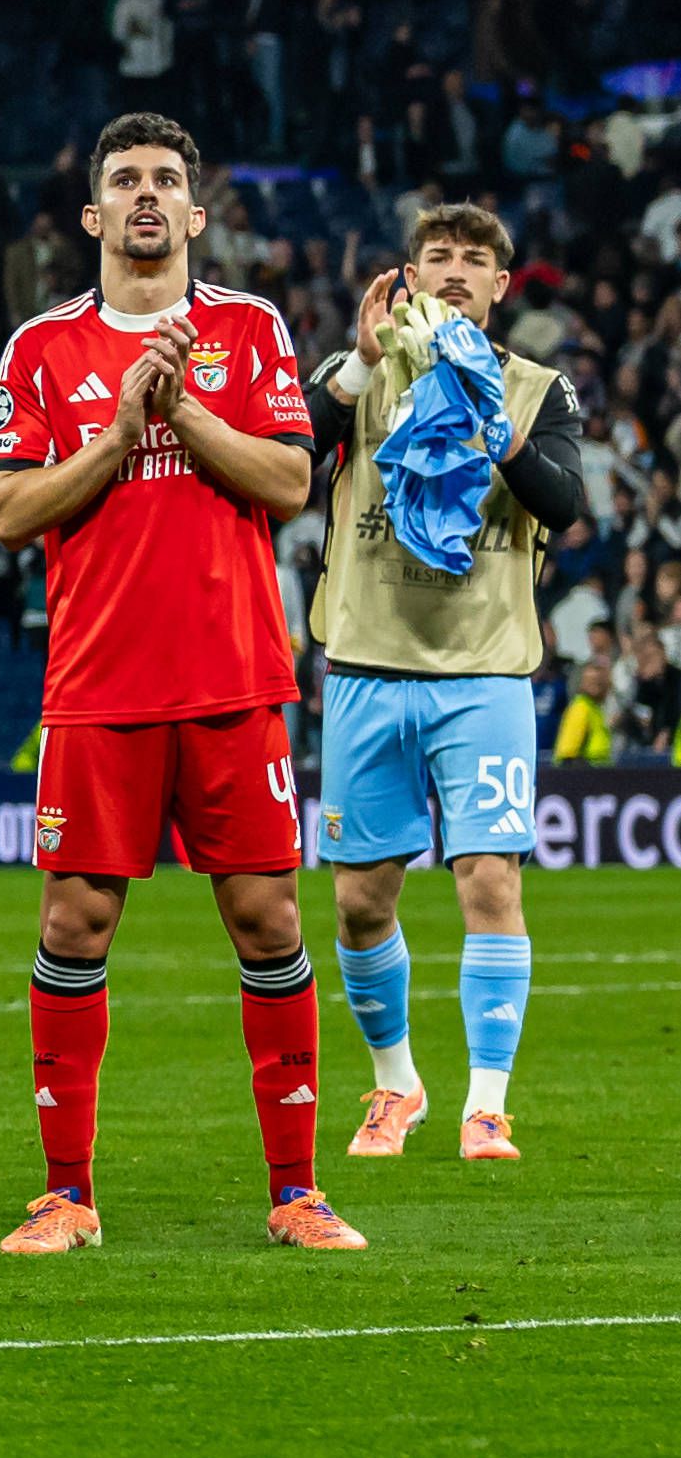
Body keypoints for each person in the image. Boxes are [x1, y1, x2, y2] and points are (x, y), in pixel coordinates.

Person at [0, 111, 338, 1253]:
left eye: (166, 179)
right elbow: (7, 511)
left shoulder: (249, 326)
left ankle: (297, 1194)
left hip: (233, 675)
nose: (147, 194)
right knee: (74, 923)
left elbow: (288, 482)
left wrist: (181, 406)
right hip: (97, 684)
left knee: (267, 919)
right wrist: (117, 430)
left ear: (195, 212)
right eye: (127, 179)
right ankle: (66, 1195)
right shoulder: (40, 347)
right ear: (92, 213)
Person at [307, 202, 581, 1163]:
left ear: (501, 284)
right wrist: (356, 362)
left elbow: (563, 500)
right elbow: (288, 457)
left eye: (474, 258)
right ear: (409, 274)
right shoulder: (357, 373)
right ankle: (396, 1085)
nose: (455, 269)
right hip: (365, 665)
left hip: (483, 673)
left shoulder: (537, 388)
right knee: (358, 900)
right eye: (437, 255)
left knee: (489, 880)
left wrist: (498, 432)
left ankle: (486, 1105)